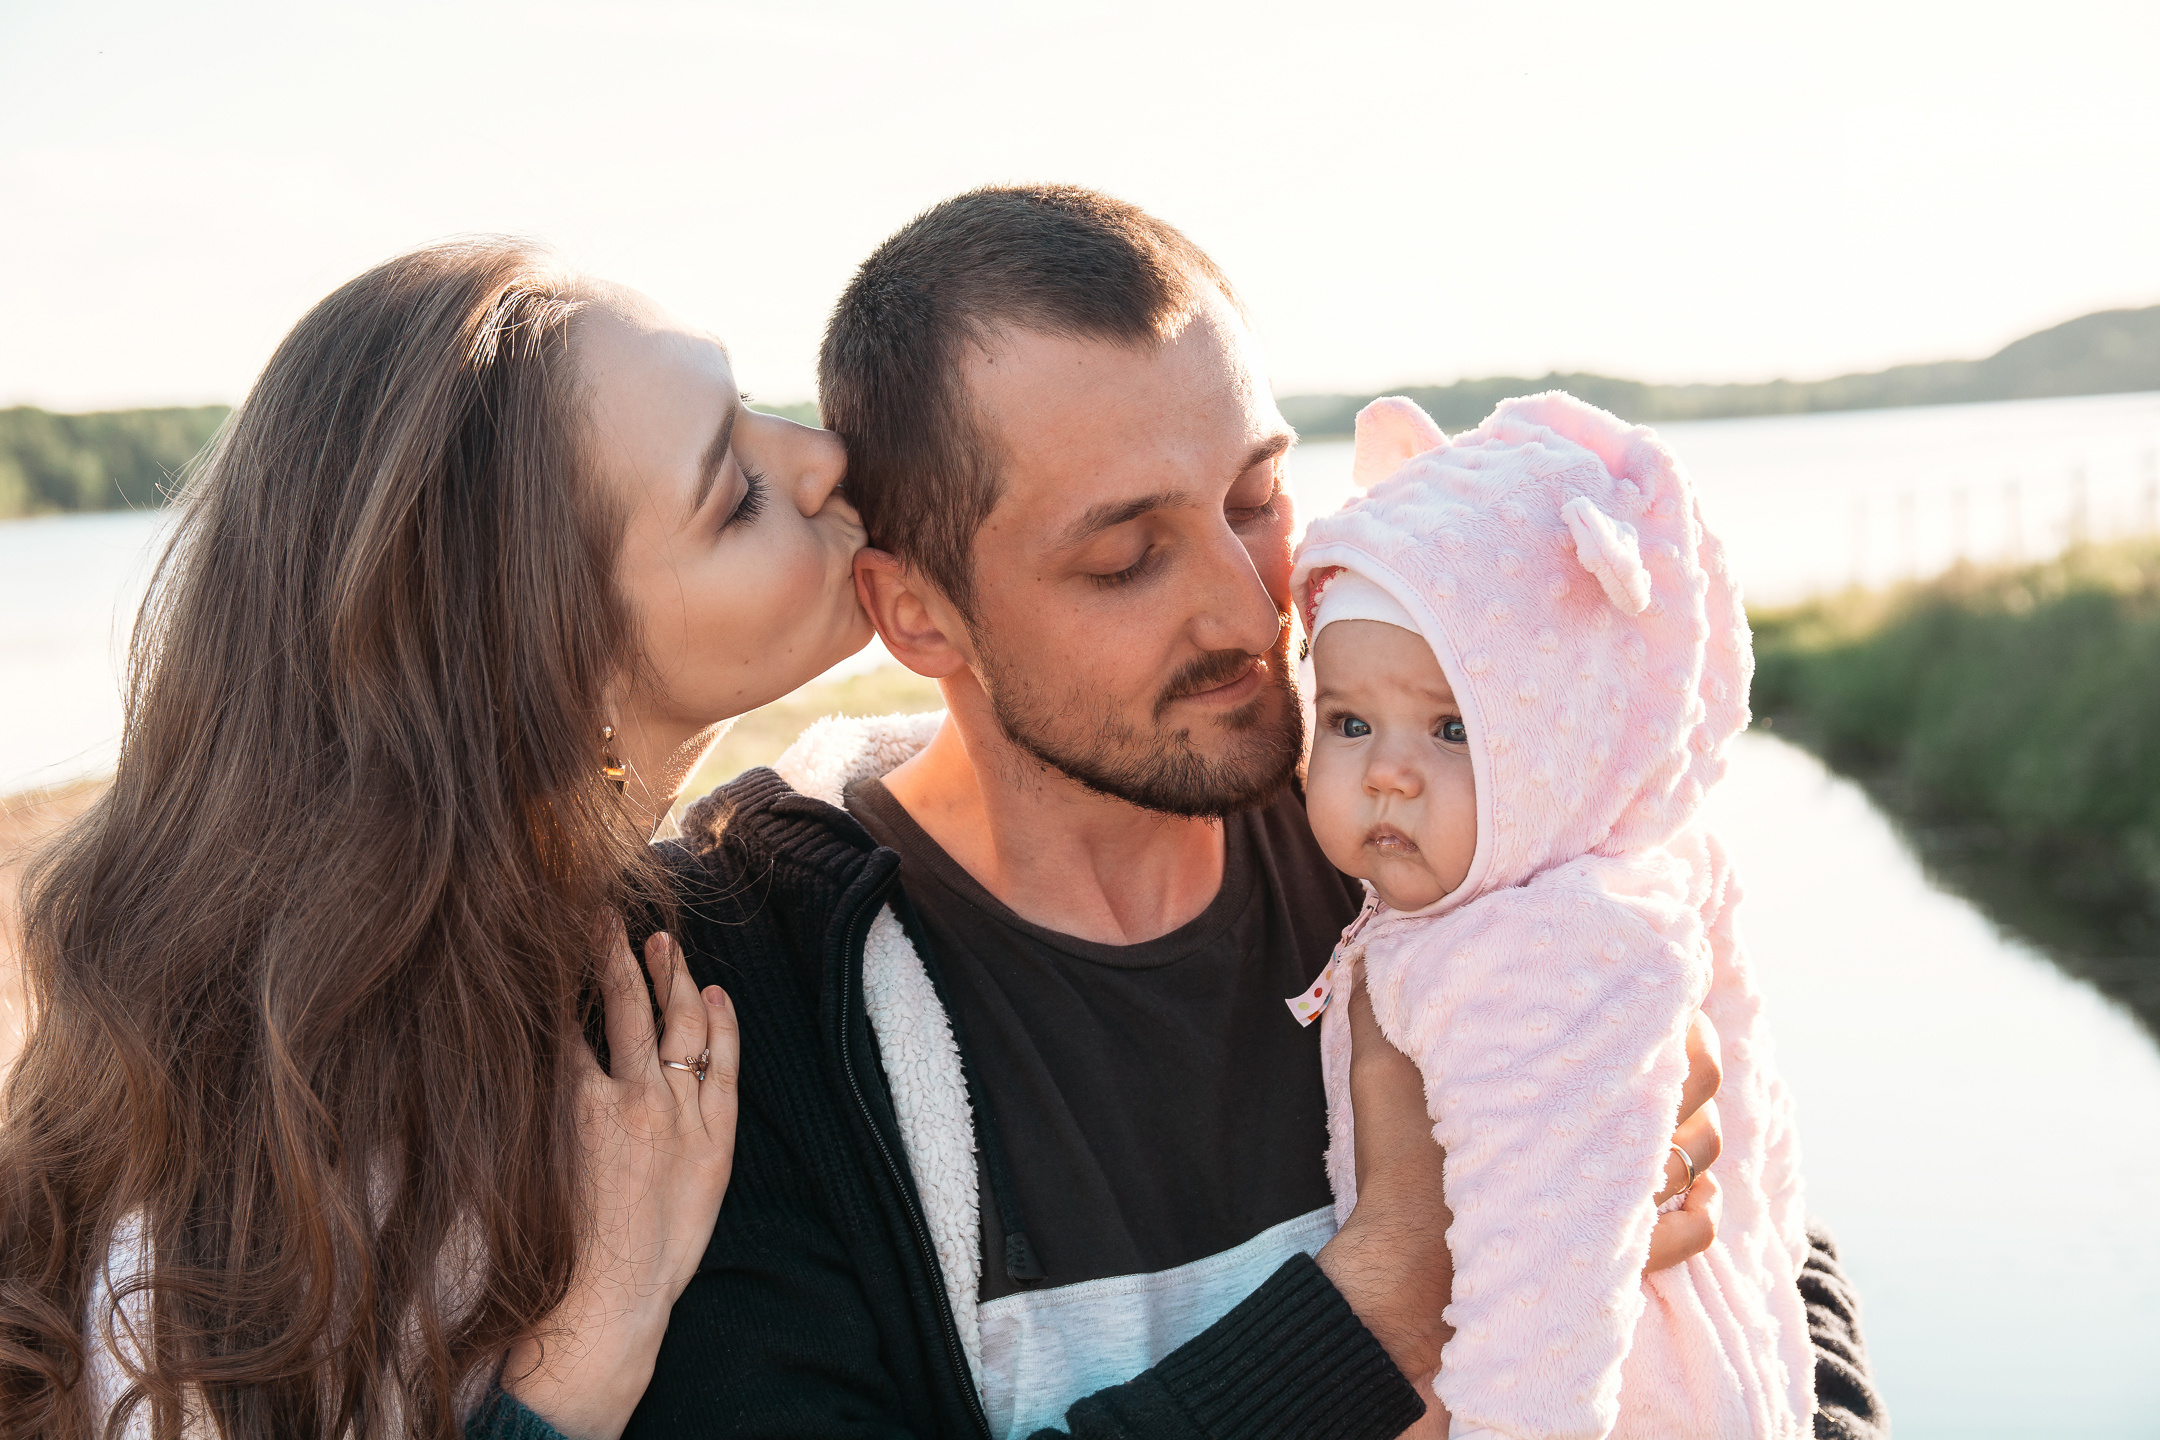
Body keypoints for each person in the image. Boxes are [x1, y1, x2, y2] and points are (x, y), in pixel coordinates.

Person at [636, 185, 1882, 1438]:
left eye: (1255, 499)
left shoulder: (1443, 801)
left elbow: (1769, 1258)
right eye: (1126, 558)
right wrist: (1391, 1287)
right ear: (917, 613)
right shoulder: (744, 988)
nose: (1251, 610)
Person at [0, 239, 867, 1440]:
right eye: (736, 494)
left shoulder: (563, 921)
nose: (823, 454)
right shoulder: (294, 1180)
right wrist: (585, 1361)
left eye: (753, 407)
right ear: (553, 685)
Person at [1297, 393, 1813, 1437]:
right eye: (1349, 721)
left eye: (1451, 727)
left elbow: (1545, 1311)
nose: (1387, 774)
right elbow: (1762, 1125)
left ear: (1562, 739)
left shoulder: (1541, 957)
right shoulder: (1543, 887)